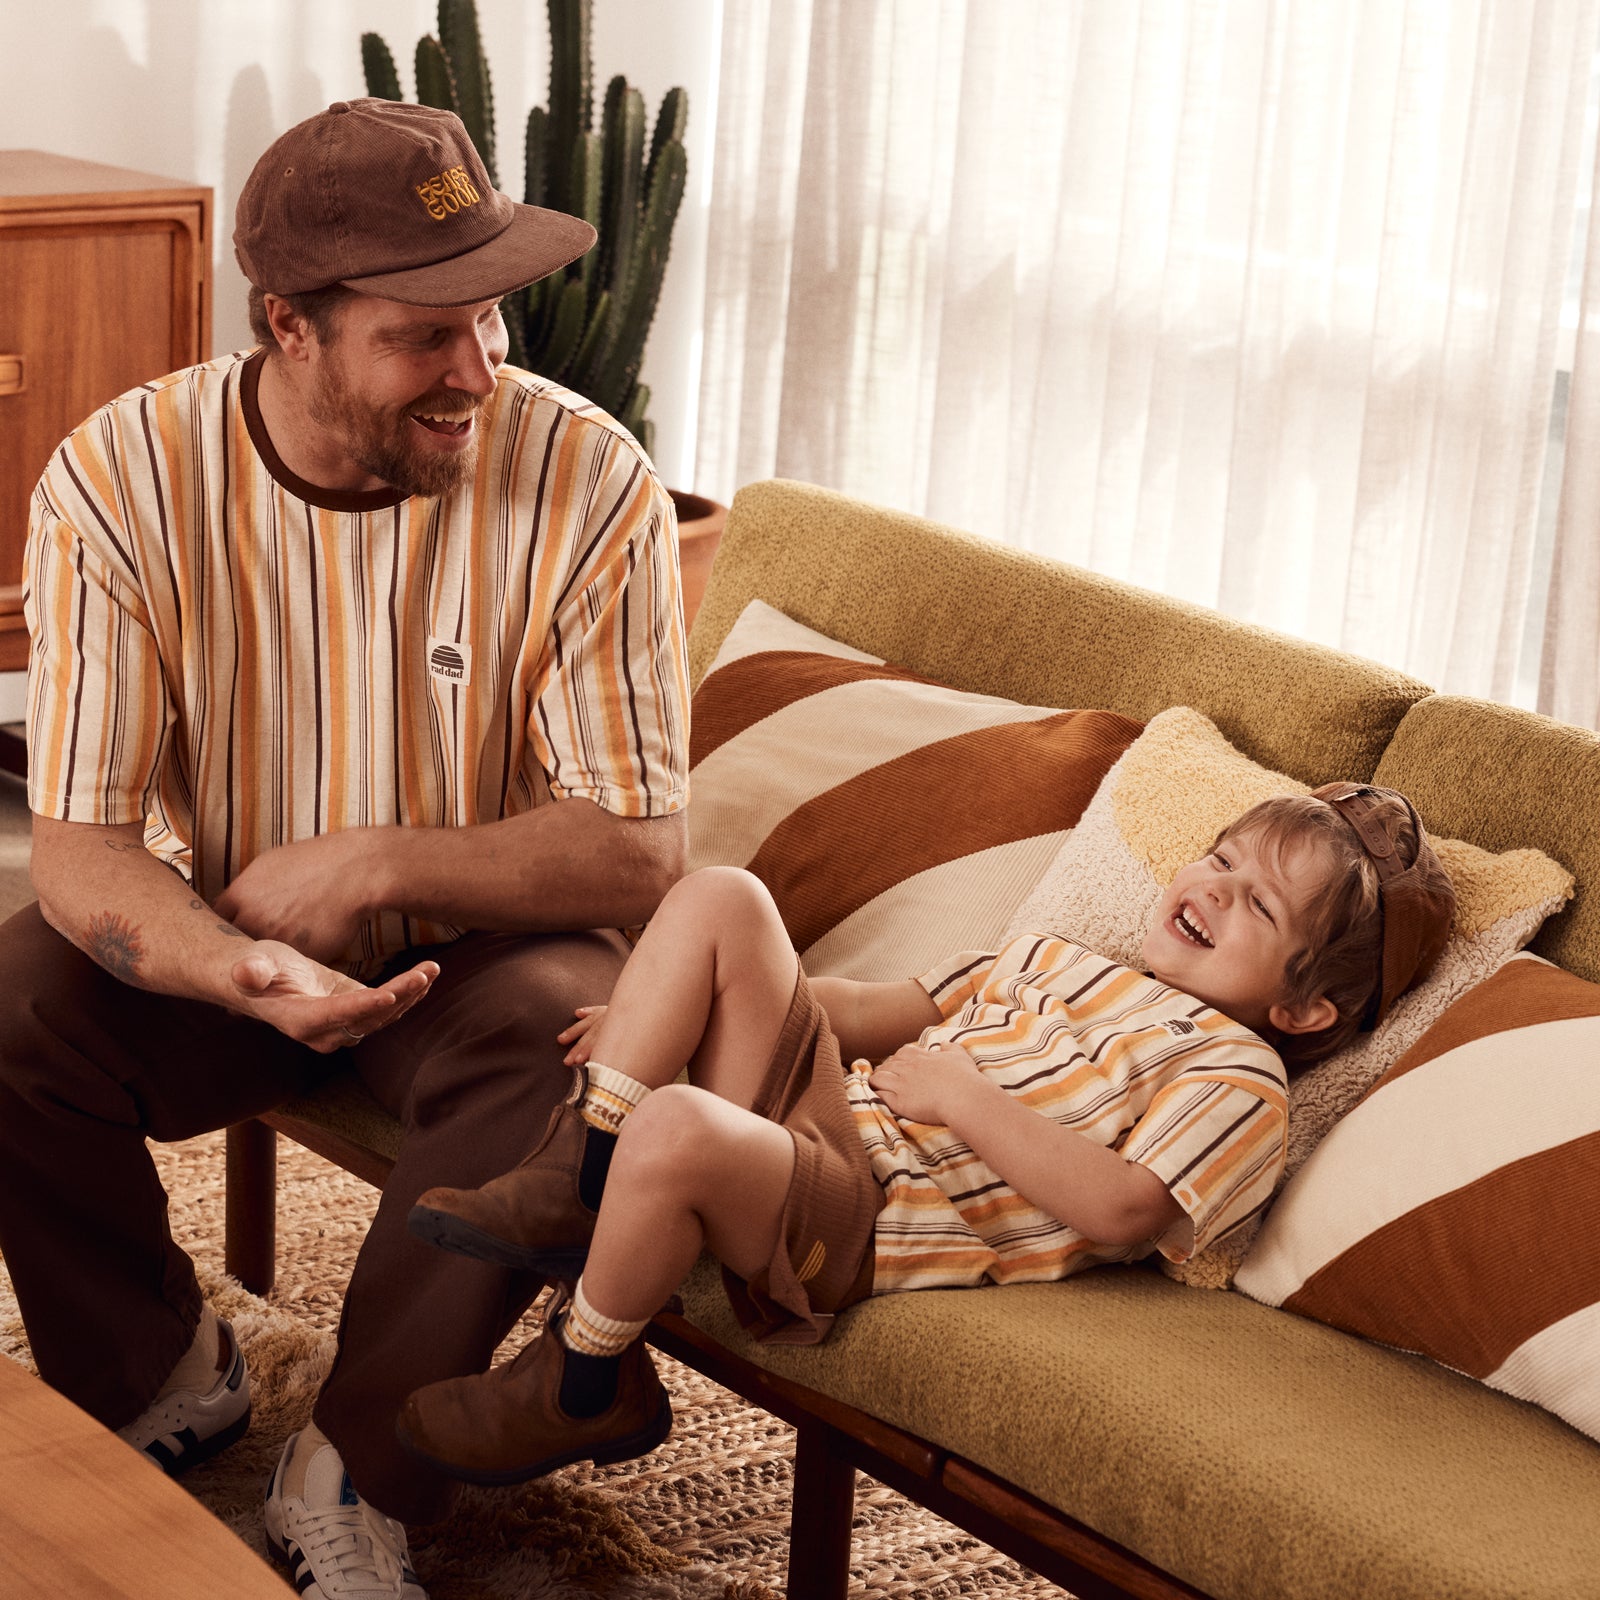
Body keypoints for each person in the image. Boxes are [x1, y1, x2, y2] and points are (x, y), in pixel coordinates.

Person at [0, 98, 688, 1599]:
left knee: (572, 1039)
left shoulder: (590, 481)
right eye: (423, 335)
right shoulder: (119, 481)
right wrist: (237, 962)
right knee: (9, 1001)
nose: (478, 370)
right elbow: (81, 847)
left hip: (483, 962)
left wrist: (379, 862)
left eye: (488, 317)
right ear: (287, 328)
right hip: (223, 931)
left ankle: (361, 1471)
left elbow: (640, 848)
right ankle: (157, 1373)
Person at [391, 783, 1455, 1485]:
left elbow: (1130, 1207)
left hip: (870, 1215)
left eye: (1257, 906)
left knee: (675, 1123)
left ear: (1305, 1009)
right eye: (1218, 860)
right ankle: (583, 1160)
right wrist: (667, 1001)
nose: (1212, 891)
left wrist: (962, 1100)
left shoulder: (1237, 1075)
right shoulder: (1060, 956)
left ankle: (583, 1381)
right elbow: (878, 1009)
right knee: (721, 896)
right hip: (827, 1124)